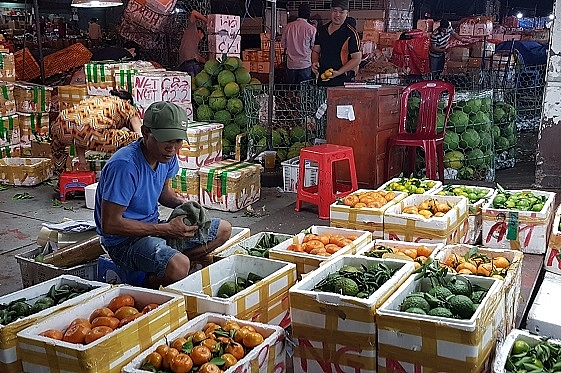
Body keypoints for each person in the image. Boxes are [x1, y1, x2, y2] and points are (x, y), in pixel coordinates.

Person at [94, 101, 232, 288]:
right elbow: (110, 224)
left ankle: (171, 266)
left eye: (177, 141)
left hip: (154, 230)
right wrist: (166, 229)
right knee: (179, 266)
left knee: (223, 229)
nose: (172, 148)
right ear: (145, 133)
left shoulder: (167, 157)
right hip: (124, 243)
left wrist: (187, 205)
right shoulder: (124, 166)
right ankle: (145, 283)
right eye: (166, 140)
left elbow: (163, 193)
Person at [50, 90, 142, 175]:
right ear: (129, 101)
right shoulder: (127, 106)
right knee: (135, 139)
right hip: (92, 132)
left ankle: (61, 177)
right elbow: (140, 134)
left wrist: (82, 161)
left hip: (61, 125)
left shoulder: (96, 100)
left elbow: (80, 131)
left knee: (58, 147)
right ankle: (125, 172)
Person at [311, 0, 361, 86]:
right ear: (331, 11)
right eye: (335, 11)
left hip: (342, 81)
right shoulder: (321, 30)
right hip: (323, 78)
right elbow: (316, 51)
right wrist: (314, 62)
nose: (337, 15)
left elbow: (356, 58)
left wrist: (338, 72)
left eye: (341, 12)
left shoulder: (351, 33)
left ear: (347, 14)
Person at [281, 3, 316, 85]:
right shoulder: (311, 29)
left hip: (291, 64)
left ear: (298, 13)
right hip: (305, 64)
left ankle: (291, 97)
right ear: (309, 14)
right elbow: (313, 47)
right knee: (303, 92)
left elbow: (283, 44)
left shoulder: (288, 27)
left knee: (290, 89)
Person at [178, 10, 207, 77]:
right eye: (202, 37)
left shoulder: (193, 43)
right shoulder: (192, 30)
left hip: (186, 64)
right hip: (189, 64)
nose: (201, 40)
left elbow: (198, 58)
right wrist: (207, 21)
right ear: (199, 32)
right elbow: (194, 12)